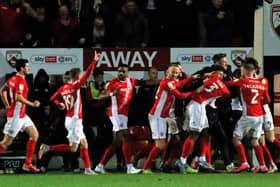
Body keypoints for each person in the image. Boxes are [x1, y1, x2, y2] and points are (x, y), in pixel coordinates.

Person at [38, 52, 100, 175]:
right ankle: (48, 148)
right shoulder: (76, 85)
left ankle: (88, 169)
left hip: (70, 118)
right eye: (80, 75)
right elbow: (88, 75)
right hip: (75, 120)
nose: (82, 77)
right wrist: (94, 62)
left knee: (84, 143)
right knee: (73, 148)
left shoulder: (63, 88)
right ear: (77, 76)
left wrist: (59, 104)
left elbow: (52, 99)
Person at [142, 64, 196, 174]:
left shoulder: (172, 82)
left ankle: (147, 167)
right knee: (160, 144)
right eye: (173, 72)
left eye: (176, 73)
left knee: (161, 144)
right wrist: (193, 93)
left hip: (162, 116)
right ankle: (146, 167)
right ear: (167, 73)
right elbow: (179, 95)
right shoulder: (166, 82)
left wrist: (191, 78)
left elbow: (179, 83)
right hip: (157, 115)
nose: (175, 74)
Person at [178, 66, 230, 174]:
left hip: (198, 105)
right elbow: (225, 93)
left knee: (206, 132)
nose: (219, 75)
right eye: (218, 73)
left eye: (221, 74)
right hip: (198, 105)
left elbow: (204, 84)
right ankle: (182, 161)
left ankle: (202, 159)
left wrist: (205, 81)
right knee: (194, 134)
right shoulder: (220, 84)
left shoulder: (210, 77)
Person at [94, 64, 143, 174]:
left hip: (124, 115)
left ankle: (100, 166)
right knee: (125, 137)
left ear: (127, 72)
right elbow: (100, 96)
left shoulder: (131, 81)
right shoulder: (113, 82)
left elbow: (145, 83)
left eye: (123, 71)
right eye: (119, 71)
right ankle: (129, 167)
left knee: (116, 143)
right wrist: (112, 93)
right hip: (116, 113)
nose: (120, 73)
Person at [224, 58, 270, 173]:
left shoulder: (243, 81)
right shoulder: (261, 83)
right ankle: (263, 166)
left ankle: (244, 163)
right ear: (254, 71)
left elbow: (227, 83)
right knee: (255, 141)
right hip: (259, 116)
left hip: (248, 115)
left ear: (244, 70)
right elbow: (267, 100)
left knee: (235, 139)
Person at [0, 59, 41, 172]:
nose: (29, 68)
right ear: (22, 68)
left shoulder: (12, 78)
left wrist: (7, 105)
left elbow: (2, 90)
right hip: (16, 116)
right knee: (6, 142)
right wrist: (32, 104)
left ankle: (27, 164)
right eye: (27, 66)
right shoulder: (20, 81)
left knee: (34, 135)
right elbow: (18, 97)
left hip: (22, 115)